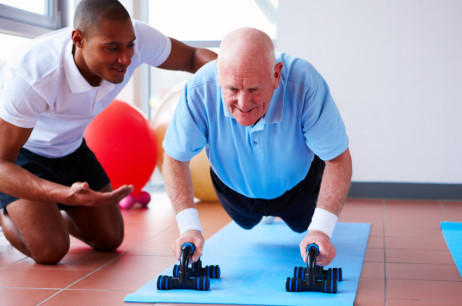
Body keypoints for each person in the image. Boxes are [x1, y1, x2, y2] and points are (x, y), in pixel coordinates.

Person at [0, 0, 217, 265]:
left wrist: (235, 84)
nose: (126, 58)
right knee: (51, 250)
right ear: (78, 39)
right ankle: (6, 210)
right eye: (112, 48)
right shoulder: (32, 75)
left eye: (130, 46)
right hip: (24, 156)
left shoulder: (133, 38)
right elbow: (2, 163)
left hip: (71, 148)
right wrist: (61, 193)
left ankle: (51, 215)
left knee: (110, 239)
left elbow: (194, 57)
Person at [162, 27, 352, 266]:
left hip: (298, 188)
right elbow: (175, 157)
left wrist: (321, 231)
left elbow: (338, 158)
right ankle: (261, 213)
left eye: (254, 89)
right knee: (245, 222)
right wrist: (189, 228)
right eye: (232, 89)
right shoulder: (199, 89)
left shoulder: (306, 84)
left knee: (303, 225)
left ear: (276, 75)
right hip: (235, 190)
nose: (243, 103)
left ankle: (292, 215)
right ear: (219, 75)